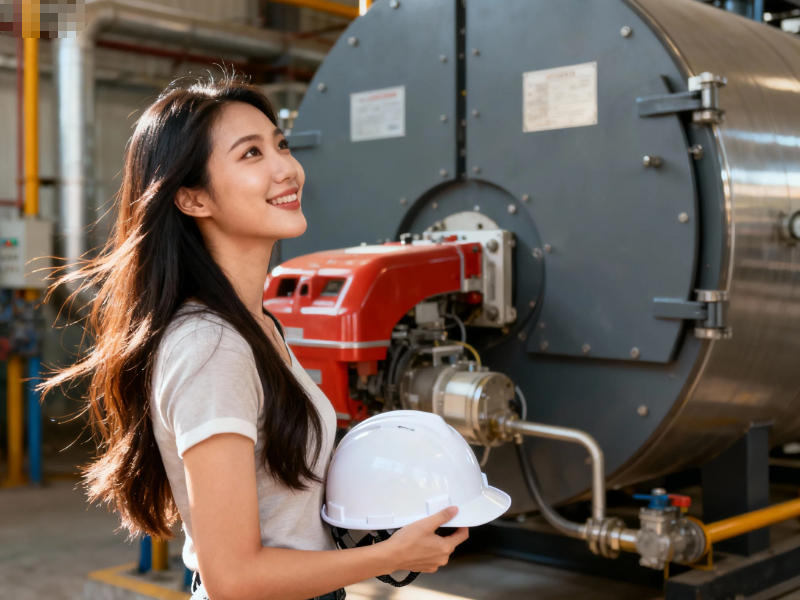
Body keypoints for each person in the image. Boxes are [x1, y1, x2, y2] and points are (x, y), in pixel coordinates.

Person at [40, 74, 469, 600]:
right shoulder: (211, 348)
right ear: (193, 198)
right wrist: (391, 557)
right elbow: (233, 578)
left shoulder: (257, 325)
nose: (286, 168)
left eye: (280, 144)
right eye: (251, 154)